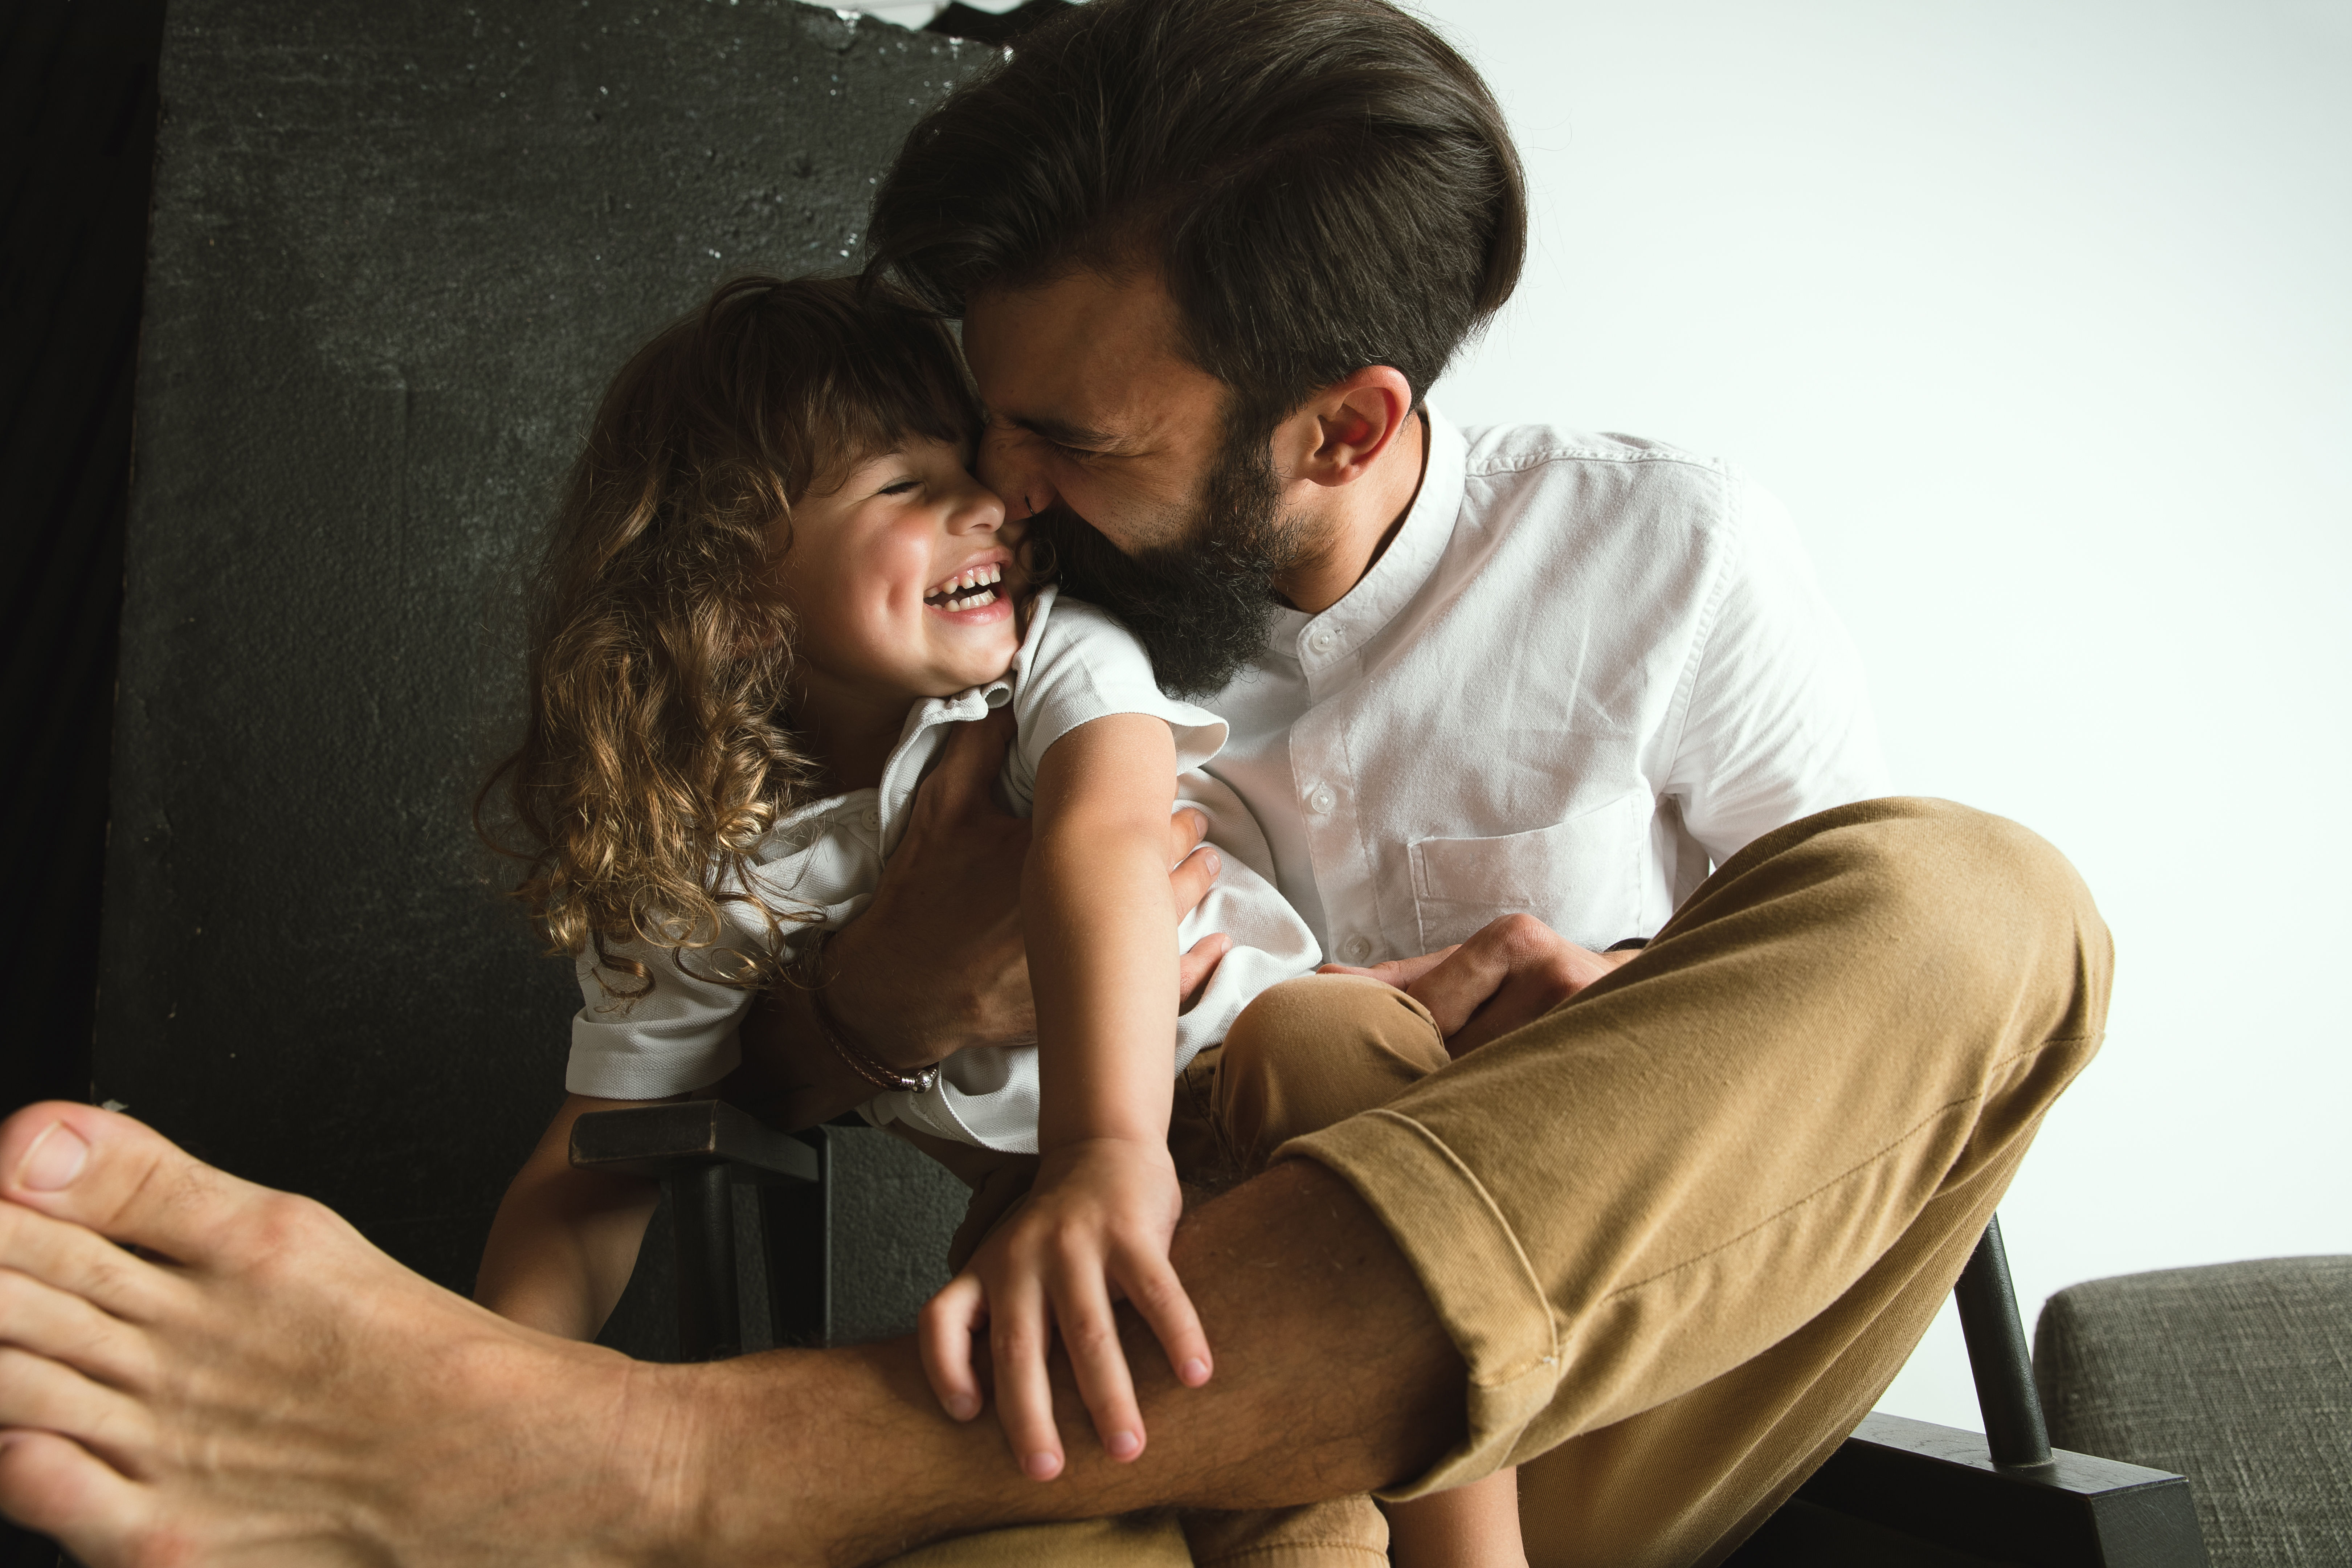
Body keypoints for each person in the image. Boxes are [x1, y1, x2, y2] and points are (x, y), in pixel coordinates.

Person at [0, 0, 2114, 1564]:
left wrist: (1630, 997)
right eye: (975, 428)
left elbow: (1857, 1046)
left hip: (1594, 1402)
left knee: (1981, 907)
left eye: (1067, 444)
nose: (1009, 493)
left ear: (1346, 428)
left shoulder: (1672, 553)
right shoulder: (1000, 618)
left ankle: (681, 1467)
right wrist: (875, 1006)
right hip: (1128, 1407)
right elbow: (732, 1074)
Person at [464, 270, 1523, 1564]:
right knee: (1254, 1477)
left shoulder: (1051, 659)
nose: (993, 507)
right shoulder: (706, 863)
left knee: (1337, 1089)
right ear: (736, 599)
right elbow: (600, 1160)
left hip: (1254, 1103)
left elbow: (1111, 833)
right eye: (905, 488)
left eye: (970, 466)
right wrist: (488, 1397)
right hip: (1048, 1195)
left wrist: (1105, 1148)